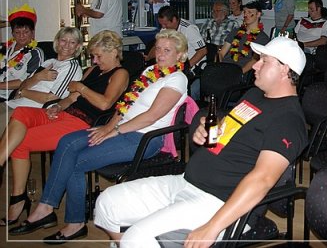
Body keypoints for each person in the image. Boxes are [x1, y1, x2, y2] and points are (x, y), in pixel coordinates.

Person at [92, 36, 308, 247]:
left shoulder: (289, 120)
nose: (255, 65)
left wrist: (213, 226)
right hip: (186, 181)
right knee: (107, 203)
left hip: (219, 201)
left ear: (284, 70)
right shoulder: (254, 95)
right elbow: (232, 129)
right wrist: (206, 129)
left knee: (136, 237)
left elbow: (263, 179)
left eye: (264, 61)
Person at [10, 30, 189, 242]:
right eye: (158, 48)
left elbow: (151, 117)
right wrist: (108, 127)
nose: (159, 54)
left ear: (180, 55)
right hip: (123, 128)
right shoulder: (152, 70)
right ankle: (48, 210)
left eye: (167, 50)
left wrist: (114, 131)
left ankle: (67, 219)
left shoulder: (177, 79)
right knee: (67, 143)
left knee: (75, 162)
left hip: (144, 138)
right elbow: (126, 104)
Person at [0, 31, 128, 227]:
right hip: (65, 114)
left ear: (113, 52)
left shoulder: (120, 74)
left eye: (98, 56)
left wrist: (81, 88)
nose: (94, 60)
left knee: (20, 141)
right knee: (21, 112)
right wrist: (58, 106)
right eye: (93, 56)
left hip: (82, 122)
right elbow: (72, 97)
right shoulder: (93, 70)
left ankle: (18, 200)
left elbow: (105, 104)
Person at [4, 27, 83, 112]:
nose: (67, 45)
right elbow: (23, 85)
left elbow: (50, 98)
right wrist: (37, 77)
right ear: (57, 42)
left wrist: (23, 92)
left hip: (29, 110)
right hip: (12, 104)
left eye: (72, 42)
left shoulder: (71, 67)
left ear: (77, 46)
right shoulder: (48, 62)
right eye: (63, 40)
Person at [0, 4, 44, 101]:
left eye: (26, 32)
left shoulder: (35, 53)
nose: (21, 36)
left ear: (32, 32)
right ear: (12, 33)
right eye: (17, 32)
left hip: (8, 97)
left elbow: (27, 81)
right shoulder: (5, 48)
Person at [146, 6, 207, 71]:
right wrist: (148, 58)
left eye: (165, 24)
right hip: (174, 65)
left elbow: (203, 51)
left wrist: (186, 67)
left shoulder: (189, 29)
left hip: (193, 67)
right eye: (161, 24)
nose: (163, 27)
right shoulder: (165, 29)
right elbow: (157, 47)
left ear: (174, 19)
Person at [218, 1, 270, 74]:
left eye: (249, 12)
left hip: (240, 72)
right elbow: (222, 53)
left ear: (258, 14)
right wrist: (219, 67)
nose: (245, 15)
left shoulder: (262, 38)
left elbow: (254, 60)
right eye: (244, 12)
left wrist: (238, 74)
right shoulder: (235, 31)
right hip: (224, 68)